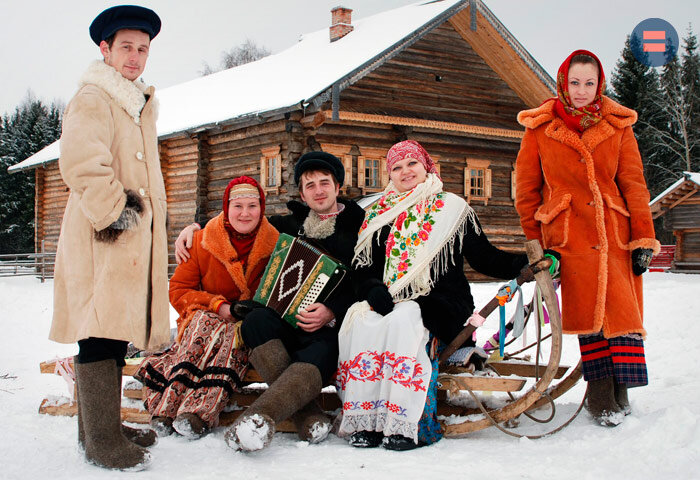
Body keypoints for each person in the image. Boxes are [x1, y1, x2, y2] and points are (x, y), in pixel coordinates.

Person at [336, 140, 530, 451]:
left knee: (406, 317)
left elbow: (485, 258)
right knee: (361, 319)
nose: (405, 171)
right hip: (390, 298)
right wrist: (372, 288)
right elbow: (364, 267)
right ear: (390, 175)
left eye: (412, 163)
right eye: (397, 167)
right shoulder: (377, 214)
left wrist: (525, 262)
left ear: (427, 166)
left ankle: (408, 424)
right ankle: (369, 421)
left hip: (442, 303)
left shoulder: (452, 208)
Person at [174, 152, 365, 452]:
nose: (318, 190)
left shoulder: (361, 227)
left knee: (326, 346)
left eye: (324, 183)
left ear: (338, 186)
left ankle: (258, 418)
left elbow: (367, 281)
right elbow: (241, 218)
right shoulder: (287, 224)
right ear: (301, 194)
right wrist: (195, 227)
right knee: (255, 322)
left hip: (330, 326)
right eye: (310, 185)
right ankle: (308, 413)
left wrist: (331, 310)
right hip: (287, 321)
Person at [49, 5, 168, 470]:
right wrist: (117, 212)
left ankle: (102, 428)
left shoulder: (136, 101)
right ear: (105, 49)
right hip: (103, 238)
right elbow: (80, 160)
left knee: (115, 334)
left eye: (143, 49)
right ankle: (101, 442)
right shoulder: (94, 97)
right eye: (126, 48)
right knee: (98, 334)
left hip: (129, 243)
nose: (136, 57)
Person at [514, 50, 659, 427]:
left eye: (589, 83)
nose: (581, 91)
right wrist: (537, 244)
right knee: (589, 315)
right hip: (567, 235)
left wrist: (643, 236)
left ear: (600, 85)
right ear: (563, 83)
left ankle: (622, 390)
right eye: (575, 83)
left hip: (615, 232)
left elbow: (633, 183)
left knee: (622, 314)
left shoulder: (618, 125)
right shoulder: (540, 128)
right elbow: (527, 192)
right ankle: (599, 395)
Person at [135, 176, 279, 439]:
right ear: (226, 208)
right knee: (207, 324)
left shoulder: (276, 243)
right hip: (203, 323)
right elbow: (179, 290)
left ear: (262, 208)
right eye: (238, 206)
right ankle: (165, 411)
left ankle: (196, 415)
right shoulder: (202, 241)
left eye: (252, 206)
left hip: (245, 326)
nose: (245, 213)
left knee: (231, 337)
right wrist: (218, 306)